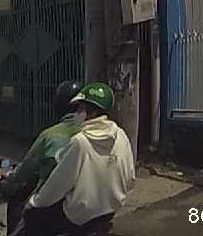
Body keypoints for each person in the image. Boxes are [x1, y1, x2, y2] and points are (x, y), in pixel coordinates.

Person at [22, 82, 135, 235]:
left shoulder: (81, 141)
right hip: (109, 210)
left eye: (80, 108)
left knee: (32, 217)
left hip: (78, 217)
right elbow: (130, 178)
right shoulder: (121, 135)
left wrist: (34, 202)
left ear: (92, 112)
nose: (77, 113)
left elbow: (59, 183)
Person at [0, 79, 84, 234]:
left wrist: (9, 178)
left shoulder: (50, 136)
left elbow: (24, 171)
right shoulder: (99, 132)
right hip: (91, 205)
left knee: (20, 203)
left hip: (55, 205)